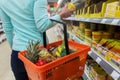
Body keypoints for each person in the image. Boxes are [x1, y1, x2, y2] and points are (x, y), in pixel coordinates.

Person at [0, 0, 74, 80]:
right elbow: (42, 25)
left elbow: (8, 28)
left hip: (17, 56)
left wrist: (14, 47)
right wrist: (61, 15)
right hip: (38, 57)